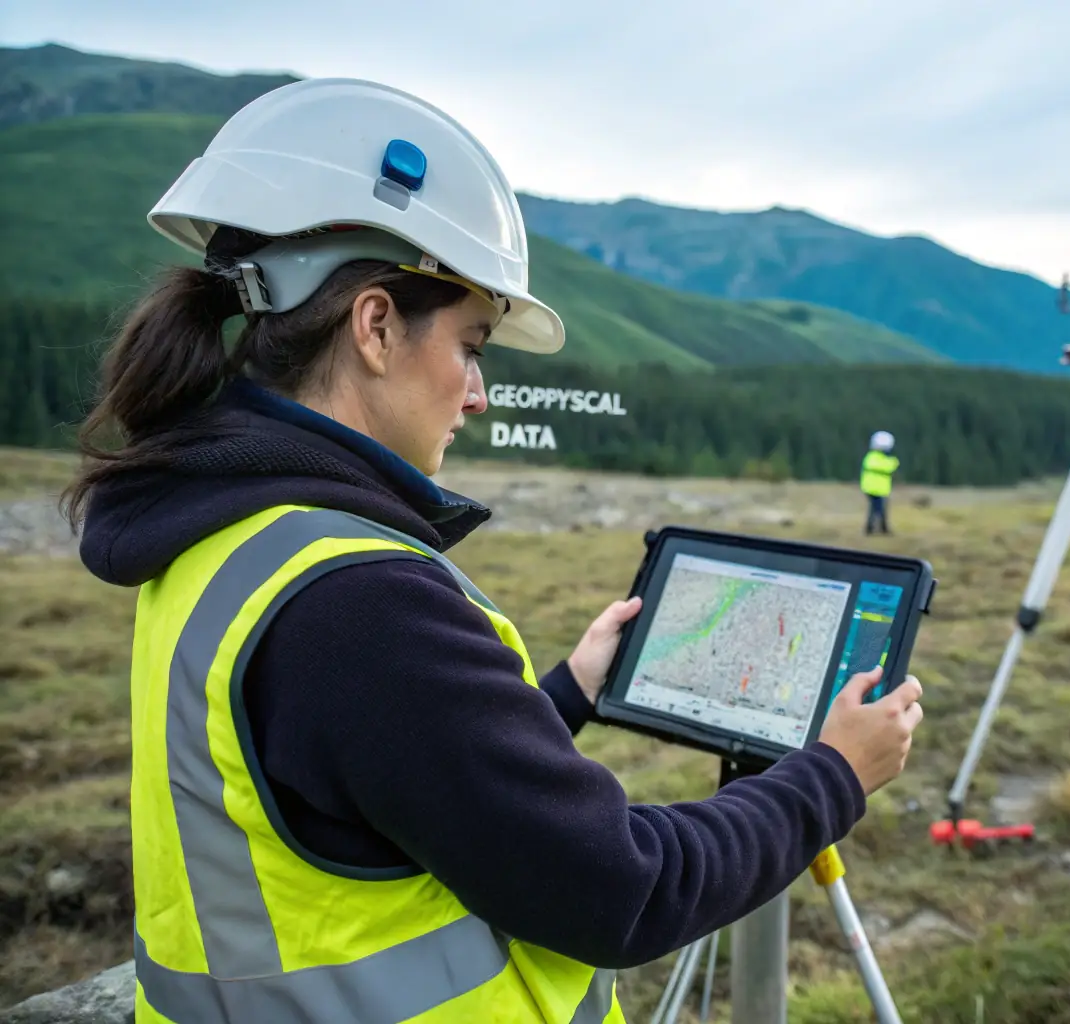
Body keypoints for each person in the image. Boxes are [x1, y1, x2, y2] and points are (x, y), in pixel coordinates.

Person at [62, 78, 926, 1024]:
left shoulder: (227, 535)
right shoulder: (358, 601)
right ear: (377, 327)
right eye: (472, 345)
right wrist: (833, 775)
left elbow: (381, 779)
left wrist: (566, 695)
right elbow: (623, 892)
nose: (478, 394)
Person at [861, 430, 900, 535]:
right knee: (879, 510)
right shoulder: (875, 458)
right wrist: (894, 462)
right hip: (875, 489)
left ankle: (872, 528)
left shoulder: (871, 456)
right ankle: (881, 529)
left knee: (875, 509)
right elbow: (887, 468)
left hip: (875, 488)